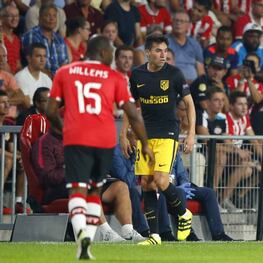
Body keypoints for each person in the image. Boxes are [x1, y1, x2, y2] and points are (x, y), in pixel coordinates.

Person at [46, 35, 154, 260]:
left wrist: (64, 129)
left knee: (77, 191)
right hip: (104, 139)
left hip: (76, 138)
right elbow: (133, 113)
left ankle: (82, 241)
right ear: (105, 53)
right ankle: (94, 236)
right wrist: (145, 143)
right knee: (95, 191)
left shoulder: (66, 72)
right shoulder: (114, 77)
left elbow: (50, 110)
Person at [120, 33, 196, 245]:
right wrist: (124, 134)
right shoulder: (137, 75)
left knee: (161, 180)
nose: (163, 55)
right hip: (144, 135)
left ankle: (183, 214)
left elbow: (190, 104)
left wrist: (191, 134)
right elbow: (130, 106)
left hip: (168, 134)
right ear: (147, 53)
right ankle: (154, 236)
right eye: (158, 51)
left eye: (165, 51)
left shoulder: (175, 74)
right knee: (147, 183)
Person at [31, 127, 145, 242]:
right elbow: (47, 177)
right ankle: (106, 232)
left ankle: (128, 231)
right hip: (58, 188)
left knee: (120, 186)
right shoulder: (44, 142)